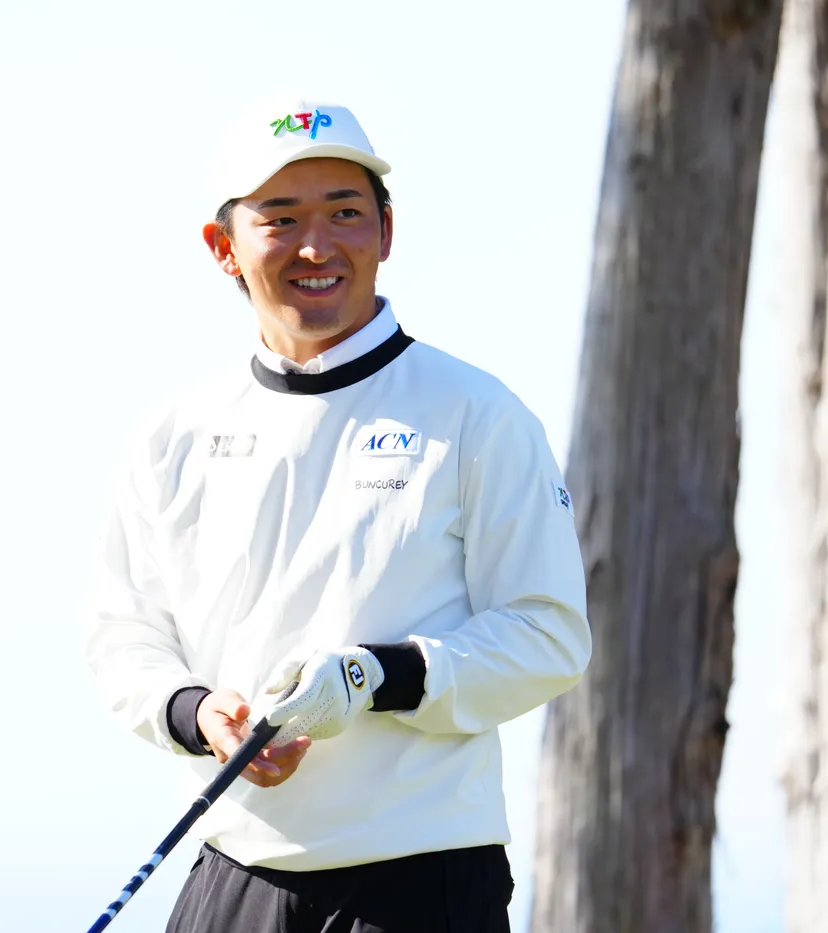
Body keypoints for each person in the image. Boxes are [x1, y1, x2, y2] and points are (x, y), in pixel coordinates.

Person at [84, 100, 592, 933]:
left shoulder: (478, 413)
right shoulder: (175, 433)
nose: (317, 247)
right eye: (280, 219)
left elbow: (549, 635)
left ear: (386, 231)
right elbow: (123, 633)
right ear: (223, 247)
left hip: (423, 882)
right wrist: (198, 712)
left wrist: (374, 676)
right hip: (235, 867)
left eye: (345, 214)